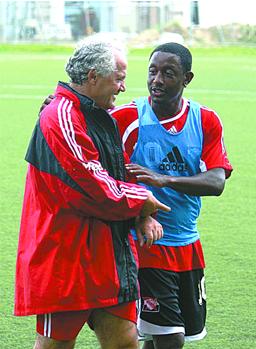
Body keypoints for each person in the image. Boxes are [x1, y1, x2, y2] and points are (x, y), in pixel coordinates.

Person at [14, 38, 170, 349]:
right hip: (66, 259)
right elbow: (94, 186)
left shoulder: (98, 115)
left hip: (107, 256)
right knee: (55, 346)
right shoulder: (60, 116)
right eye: (120, 78)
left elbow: (115, 172)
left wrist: (143, 212)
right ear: (93, 77)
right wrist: (142, 202)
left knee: (125, 343)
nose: (123, 87)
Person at [109, 42, 233, 349]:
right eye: (152, 71)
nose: (157, 80)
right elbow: (84, 125)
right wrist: (56, 103)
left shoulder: (205, 120)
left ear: (187, 78)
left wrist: (164, 179)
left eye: (168, 73)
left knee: (162, 335)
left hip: (188, 244)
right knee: (170, 339)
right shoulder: (126, 117)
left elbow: (217, 181)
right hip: (145, 244)